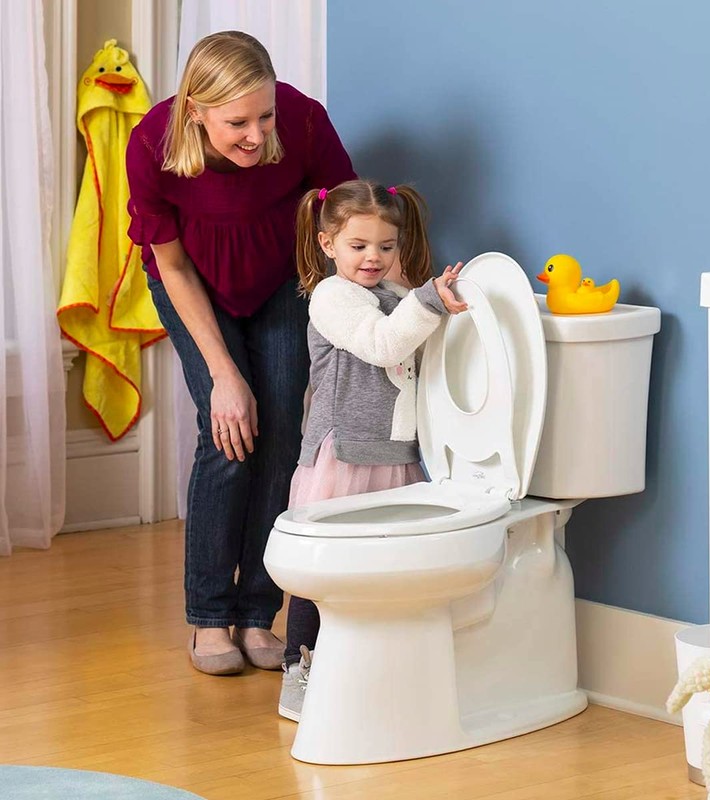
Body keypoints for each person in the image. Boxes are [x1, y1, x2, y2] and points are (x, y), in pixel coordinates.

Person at [125, 31, 357, 675]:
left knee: (281, 431)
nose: (256, 135)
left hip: (282, 282)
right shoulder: (151, 144)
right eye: (237, 123)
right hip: (193, 285)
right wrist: (224, 374)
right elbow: (170, 264)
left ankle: (258, 614)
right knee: (227, 428)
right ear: (196, 110)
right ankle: (209, 617)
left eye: (265, 116)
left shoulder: (303, 120)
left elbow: (345, 216)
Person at [276, 179, 467, 720]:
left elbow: (422, 354)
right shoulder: (332, 297)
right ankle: (299, 667)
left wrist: (437, 305)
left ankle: (375, 670)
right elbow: (384, 344)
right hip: (344, 455)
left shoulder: (395, 296)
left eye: (386, 245)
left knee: (386, 563)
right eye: (358, 245)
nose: (373, 257)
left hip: (394, 452)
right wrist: (427, 299)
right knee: (323, 569)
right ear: (327, 243)